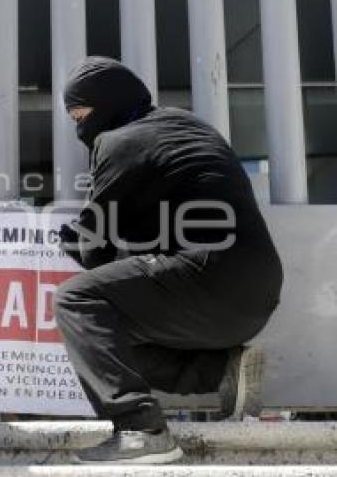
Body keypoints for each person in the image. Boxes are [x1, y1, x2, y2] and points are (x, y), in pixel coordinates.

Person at [54, 57, 283, 465]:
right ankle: (222, 370)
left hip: (208, 279)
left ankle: (140, 431)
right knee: (108, 338)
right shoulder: (187, 125)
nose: (80, 129)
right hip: (256, 291)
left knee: (76, 302)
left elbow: (95, 250)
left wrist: (70, 238)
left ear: (106, 103)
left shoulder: (120, 141)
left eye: (81, 115)